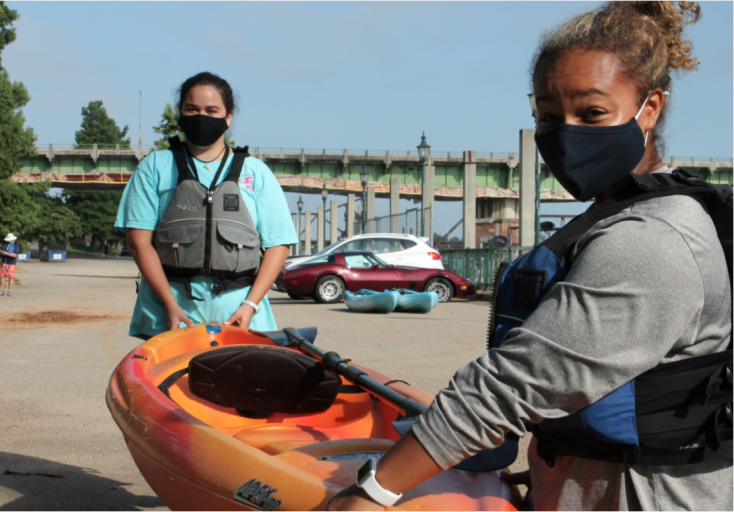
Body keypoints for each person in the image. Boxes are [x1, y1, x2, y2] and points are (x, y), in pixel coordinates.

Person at [329, 2, 731, 511]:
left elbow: (510, 386)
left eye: (591, 113)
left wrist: (371, 491)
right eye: (547, 115)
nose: (565, 132)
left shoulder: (652, 241)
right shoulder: (612, 219)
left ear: (648, 108)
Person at [115, 72, 297, 339]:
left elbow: (279, 246)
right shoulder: (154, 167)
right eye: (192, 109)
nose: (201, 116)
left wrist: (250, 306)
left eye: (212, 110)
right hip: (169, 315)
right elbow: (138, 243)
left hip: (240, 317)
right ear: (180, 112)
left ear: (228, 116)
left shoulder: (256, 173)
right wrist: (169, 304)